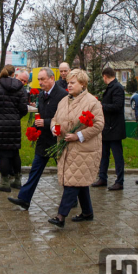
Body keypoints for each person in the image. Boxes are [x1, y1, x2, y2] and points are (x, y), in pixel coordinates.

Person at [48, 69, 104, 227]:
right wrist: (54, 128)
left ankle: (61, 216)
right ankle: (87, 212)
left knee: (73, 182)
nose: (69, 85)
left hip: (84, 149)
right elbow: (55, 118)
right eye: (68, 83)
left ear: (83, 84)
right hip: (67, 147)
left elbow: (99, 125)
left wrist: (78, 136)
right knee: (79, 180)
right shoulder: (63, 101)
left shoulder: (92, 102)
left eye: (73, 83)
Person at [8, 68, 68, 210]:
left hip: (57, 140)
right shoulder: (41, 95)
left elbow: (65, 119)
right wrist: (35, 128)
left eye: (43, 79)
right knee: (35, 170)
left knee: (64, 171)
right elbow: (41, 114)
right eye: (39, 79)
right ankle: (24, 199)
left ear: (52, 78)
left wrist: (46, 122)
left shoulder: (62, 95)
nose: (40, 82)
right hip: (43, 139)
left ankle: (71, 198)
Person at [0, 64, 29, 192]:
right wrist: (15, 117)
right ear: (14, 74)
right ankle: (17, 180)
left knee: (3, 153)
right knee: (14, 152)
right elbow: (24, 109)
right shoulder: (20, 87)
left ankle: (4, 182)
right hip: (14, 125)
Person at [91, 67, 126, 191]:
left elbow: (117, 106)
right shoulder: (111, 87)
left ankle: (119, 181)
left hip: (114, 128)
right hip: (107, 127)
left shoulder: (117, 88)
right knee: (103, 154)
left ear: (105, 76)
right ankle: (102, 177)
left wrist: (101, 105)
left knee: (117, 156)